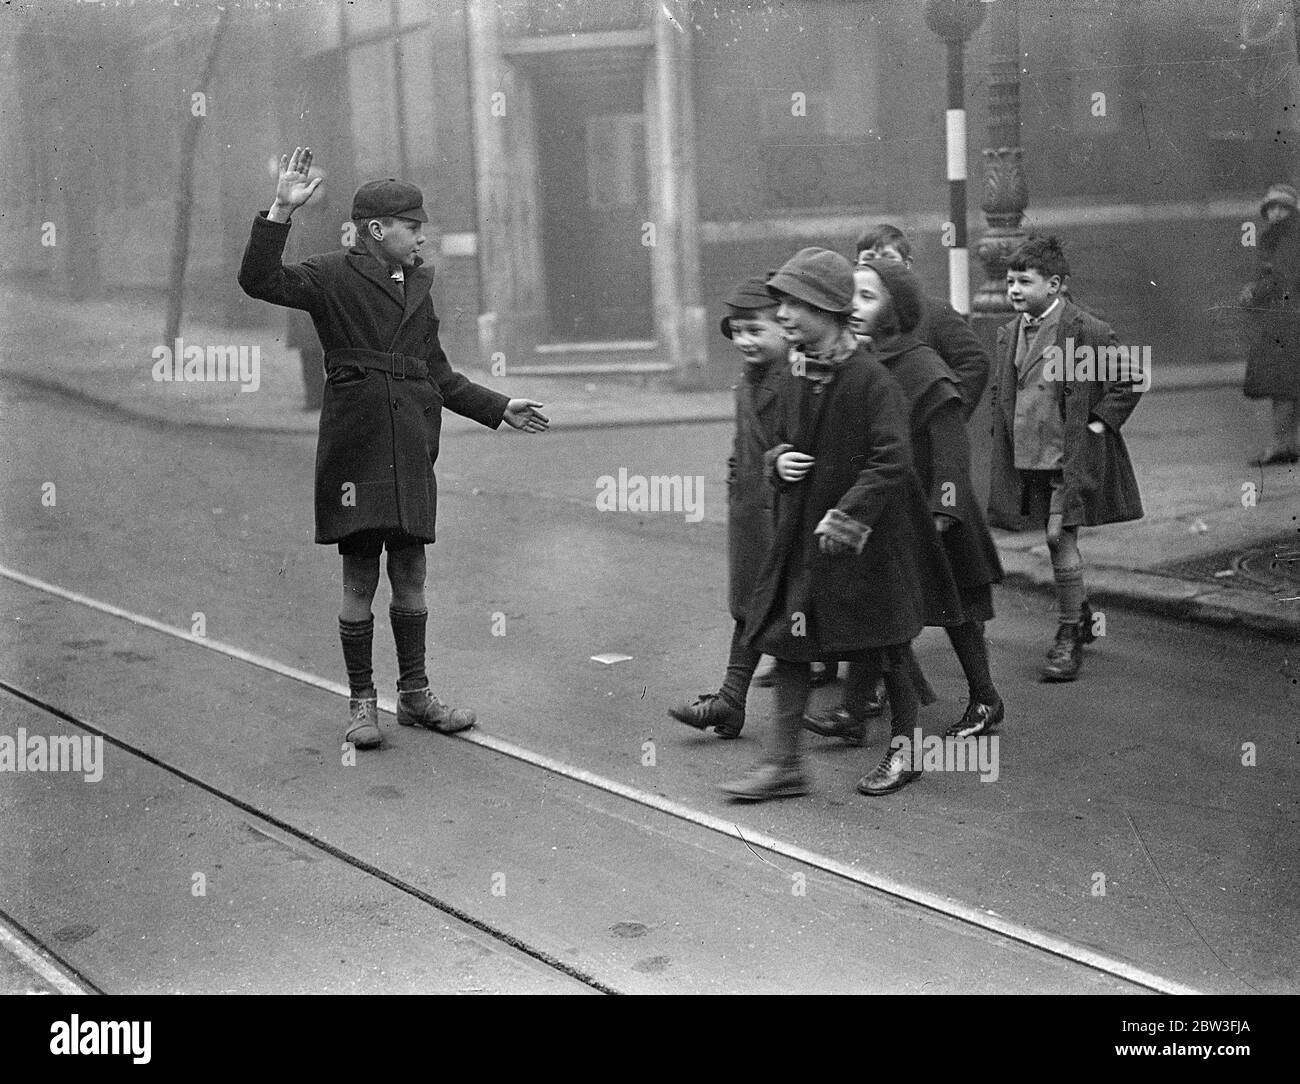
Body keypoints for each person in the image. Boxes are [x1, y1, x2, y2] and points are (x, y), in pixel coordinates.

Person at [238, 147, 549, 750]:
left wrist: (497, 406)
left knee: (410, 570)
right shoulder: (330, 275)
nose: (422, 240)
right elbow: (259, 280)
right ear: (378, 231)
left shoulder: (418, 290)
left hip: (410, 447)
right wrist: (281, 207)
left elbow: (438, 373)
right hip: (356, 447)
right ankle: (362, 703)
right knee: (359, 578)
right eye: (414, 229)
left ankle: (414, 696)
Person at [719, 248, 960, 801]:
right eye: (777, 304)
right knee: (790, 638)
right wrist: (776, 463)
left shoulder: (871, 378)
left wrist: (850, 514)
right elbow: (782, 442)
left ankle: (905, 749)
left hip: (872, 538)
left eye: (791, 305)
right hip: (806, 533)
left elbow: (892, 459)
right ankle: (785, 766)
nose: (780, 316)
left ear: (827, 308)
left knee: (887, 644)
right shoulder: (800, 370)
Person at [805, 259, 1005, 744]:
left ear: (895, 310)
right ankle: (856, 708)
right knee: (885, 610)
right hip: (891, 511)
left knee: (958, 614)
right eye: (851, 295)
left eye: (867, 297)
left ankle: (985, 698)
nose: (853, 305)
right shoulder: (865, 364)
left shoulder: (923, 367)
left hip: (936, 515)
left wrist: (943, 511)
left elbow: (952, 450)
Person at [989, 235, 1143, 682]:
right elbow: (1007, 386)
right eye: (1009, 281)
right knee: (1055, 538)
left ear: (1054, 284)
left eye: (1024, 281)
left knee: (1058, 537)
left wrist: (1098, 424)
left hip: (1067, 458)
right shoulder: (1009, 332)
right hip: (1028, 457)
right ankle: (1081, 607)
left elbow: (1129, 379)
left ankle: (1068, 633)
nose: (1013, 290)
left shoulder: (1086, 330)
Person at [669, 275, 790, 739]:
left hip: (787, 509)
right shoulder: (749, 377)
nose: (744, 341)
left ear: (784, 326)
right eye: (737, 331)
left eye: (756, 330)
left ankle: (869, 698)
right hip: (752, 508)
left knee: (821, 610)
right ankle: (731, 701)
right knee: (752, 604)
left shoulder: (797, 379)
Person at [854, 223, 991, 419]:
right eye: (869, 259)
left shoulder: (936, 312)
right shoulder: (852, 316)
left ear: (906, 265)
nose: (878, 266)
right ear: (856, 265)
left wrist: (945, 408)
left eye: (888, 258)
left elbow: (975, 362)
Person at [1240, 182, 1300, 465]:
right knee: (1289, 385)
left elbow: (1282, 276)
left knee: (1282, 385)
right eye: (1271, 208)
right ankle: (1288, 443)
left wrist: (1254, 291)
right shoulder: (1283, 235)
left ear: (1291, 210)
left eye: (1282, 207)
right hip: (1288, 317)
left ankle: (1281, 445)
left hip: (1286, 320)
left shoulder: (1288, 236)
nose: (1276, 213)